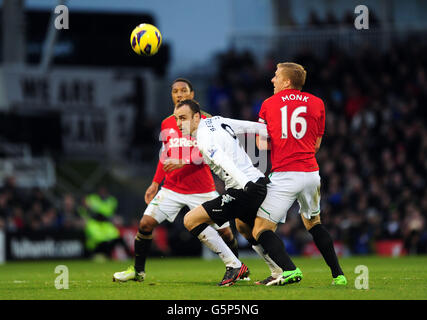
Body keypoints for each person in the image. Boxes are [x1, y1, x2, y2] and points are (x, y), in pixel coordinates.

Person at [113, 79, 240, 282]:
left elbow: (210, 152)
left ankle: (239, 270)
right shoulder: (166, 122)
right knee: (145, 224)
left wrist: (184, 161)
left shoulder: (206, 121)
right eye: (175, 91)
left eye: (183, 90)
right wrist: (155, 182)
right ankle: (138, 272)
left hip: (202, 189)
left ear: (192, 94)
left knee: (225, 232)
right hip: (171, 188)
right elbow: (165, 155)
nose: (179, 94)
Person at [252, 62, 347, 286]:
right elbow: (316, 145)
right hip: (311, 174)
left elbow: (261, 144)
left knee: (260, 229)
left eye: (276, 76)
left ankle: (288, 270)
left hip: (285, 175)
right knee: (314, 223)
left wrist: (280, 142)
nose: (272, 80)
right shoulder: (317, 103)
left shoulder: (268, 103)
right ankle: (339, 275)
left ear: (286, 82)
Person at [174, 99, 282, 287]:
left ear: (197, 117)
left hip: (244, 187)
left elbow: (224, 162)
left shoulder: (203, 138)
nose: (178, 123)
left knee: (190, 220)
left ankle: (234, 265)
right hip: (256, 180)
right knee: (244, 227)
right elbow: (246, 126)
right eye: (176, 119)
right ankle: (277, 271)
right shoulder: (215, 120)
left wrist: (244, 184)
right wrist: (269, 131)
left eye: (183, 118)